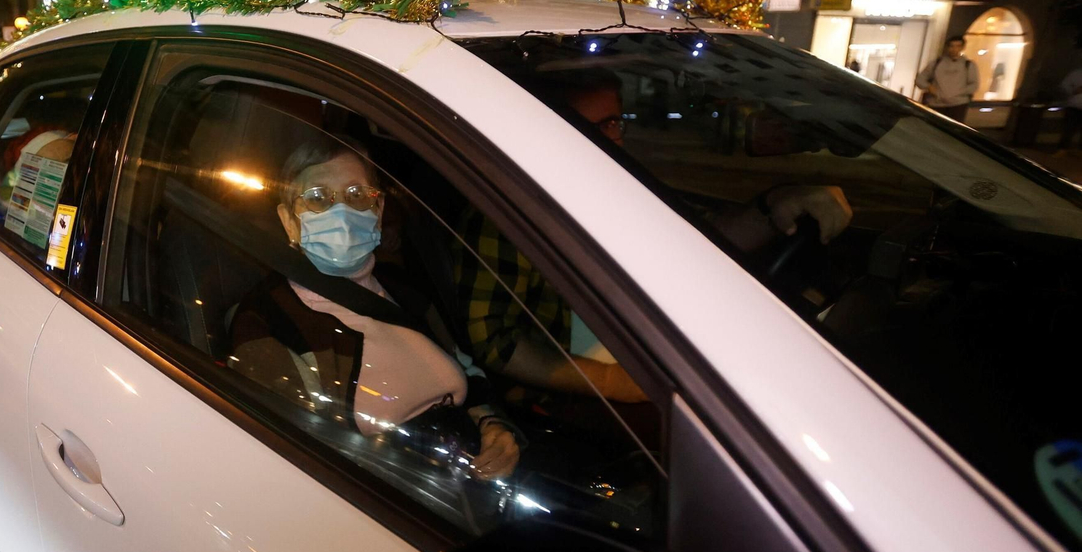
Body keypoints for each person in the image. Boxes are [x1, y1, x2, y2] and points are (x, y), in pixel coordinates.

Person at [456, 70, 851, 405]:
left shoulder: (621, 184)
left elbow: (697, 241)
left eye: (611, 123)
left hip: (664, 359)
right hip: (577, 406)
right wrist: (620, 385)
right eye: (581, 126)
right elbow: (494, 341)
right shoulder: (509, 209)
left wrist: (776, 204)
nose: (604, 139)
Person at [228, 138, 522, 480]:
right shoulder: (265, 320)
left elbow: (466, 367)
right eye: (318, 198)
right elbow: (302, 462)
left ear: (378, 211)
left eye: (356, 195)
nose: (342, 212)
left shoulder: (406, 290)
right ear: (289, 221)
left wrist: (492, 424)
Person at [916, 36, 978, 122]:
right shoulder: (936, 63)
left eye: (958, 46)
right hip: (936, 104)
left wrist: (958, 92)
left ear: (962, 47)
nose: (954, 49)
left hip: (958, 105)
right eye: (951, 46)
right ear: (947, 47)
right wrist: (929, 87)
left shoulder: (968, 65)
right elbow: (920, 79)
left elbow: (974, 85)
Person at [1054, 60, 1082, 154]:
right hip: (1074, 106)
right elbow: (1064, 87)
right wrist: (1074, 91)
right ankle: (1062, 149)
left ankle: (1080, 151)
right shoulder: (1075, 74)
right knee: (1069, 129)